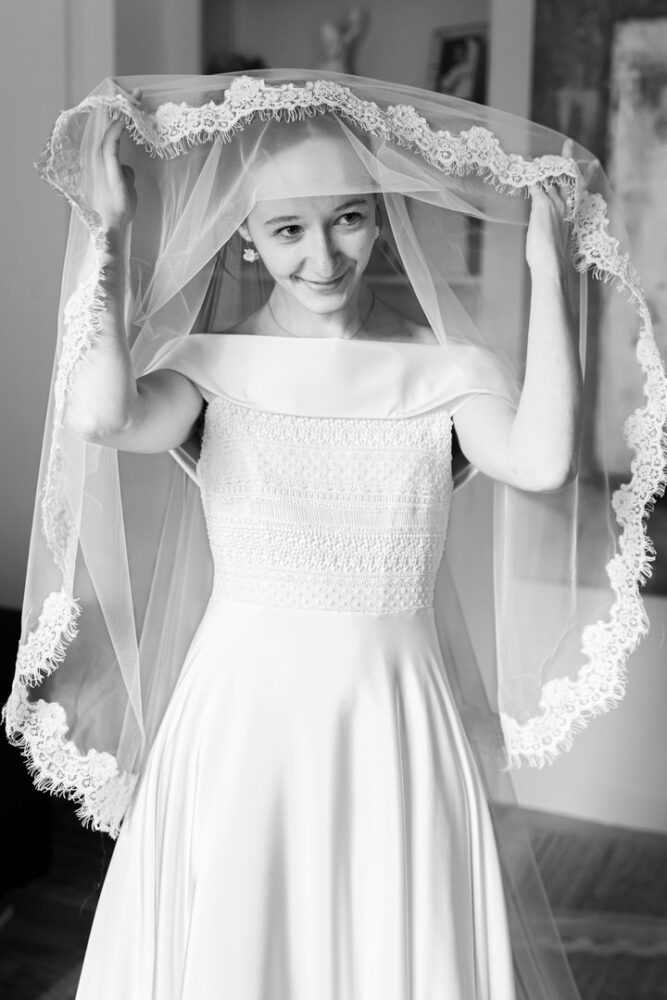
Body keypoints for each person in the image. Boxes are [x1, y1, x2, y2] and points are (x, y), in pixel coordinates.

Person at [4, 70, 666, 1000]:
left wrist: (546, 270)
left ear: (379, 216)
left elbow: (541, 460)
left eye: (347, 219)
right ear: (244, 232)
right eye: (287, 230)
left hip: (393, 712)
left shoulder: (445, 370)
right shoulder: (208, 366)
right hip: (241, 715)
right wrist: (109, 234)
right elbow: (102, 415)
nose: (322, 256)